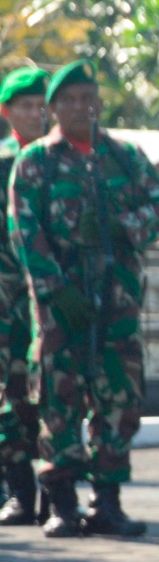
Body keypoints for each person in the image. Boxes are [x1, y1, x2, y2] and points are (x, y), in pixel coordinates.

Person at [8, 60, 159, 537]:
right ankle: (61, 502)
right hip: (62, 307)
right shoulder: (35, 161)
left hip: (117, 302)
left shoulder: (124, 156)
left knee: (118, 398)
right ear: (54, 108)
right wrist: (55, 290)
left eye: (89, 98)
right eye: (70, 100)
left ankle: (108, 501)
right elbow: (25, 232)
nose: (82, 107)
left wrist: (125, 228)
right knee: (59, 400)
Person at [0, 66, 51, 524]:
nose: (36, 114)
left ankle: (59, 492)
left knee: (53, 394)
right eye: (26, 108)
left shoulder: (61, 160)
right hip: (6, 301)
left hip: (50, 300)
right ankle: (18, 491)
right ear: (7, 112)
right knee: (11, 395)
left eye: (40, 106)